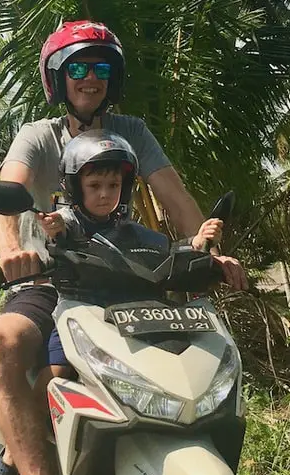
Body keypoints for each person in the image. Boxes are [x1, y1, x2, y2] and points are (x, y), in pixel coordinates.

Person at [0, 20, 278, 475]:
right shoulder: (38, 135)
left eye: (102, 69)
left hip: (127, 277)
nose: (91, 79)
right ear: (57, 79)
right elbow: (6, 194)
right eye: (79, 68)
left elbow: (178, 202)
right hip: (52, 278)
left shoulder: (132, 132)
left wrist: (208, 255)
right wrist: (14, 250)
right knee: (4, 344)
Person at [38, 129, 224, 372]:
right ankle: (44, 409)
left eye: (113, 185)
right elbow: (59, 233)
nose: (104, 193)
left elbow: (164, 255)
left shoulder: (132, 230)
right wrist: (55, 229)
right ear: (74, 186)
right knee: (58, 370)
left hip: (131, 317)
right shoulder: (68, 221)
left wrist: (197, 243)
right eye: (94, 185)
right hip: (80, 313)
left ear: (124, 188)